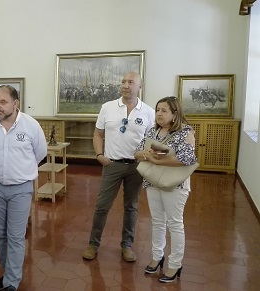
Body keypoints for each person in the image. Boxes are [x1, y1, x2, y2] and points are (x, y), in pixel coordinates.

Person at [0, 85, 47, 291]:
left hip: (21, 189)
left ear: (16, 104)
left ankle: (11, 283)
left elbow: (39, 153)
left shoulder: (31, 126)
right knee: (0, 234)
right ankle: (9, 273)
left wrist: (19, 171)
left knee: (15, 236)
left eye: (3, 102)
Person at [82, 72, 155, 262]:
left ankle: (127, 246)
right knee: (102, 206)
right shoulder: (107, 108)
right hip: (112, 164)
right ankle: (93, 244)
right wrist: (99, 155)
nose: (125, 85)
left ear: (140, 86)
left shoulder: (147, 111)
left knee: (131, 207)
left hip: (136, 167)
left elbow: (151, 140)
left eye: (131, 82)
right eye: (123, 81)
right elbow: (98, 134)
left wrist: (147, 160)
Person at [134, 96, 197, 283]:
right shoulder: (154, 131)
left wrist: (154, 159)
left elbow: (186, 159)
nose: (159, 114)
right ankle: (157, 257)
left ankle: (175, 264)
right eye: (157, 110)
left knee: (175, 224)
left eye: (164, 111)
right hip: (153, 182)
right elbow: (136, 152)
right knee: (157, 222)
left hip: (175, 185)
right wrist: (144, 153)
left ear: (174, 114)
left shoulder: (185, 131)